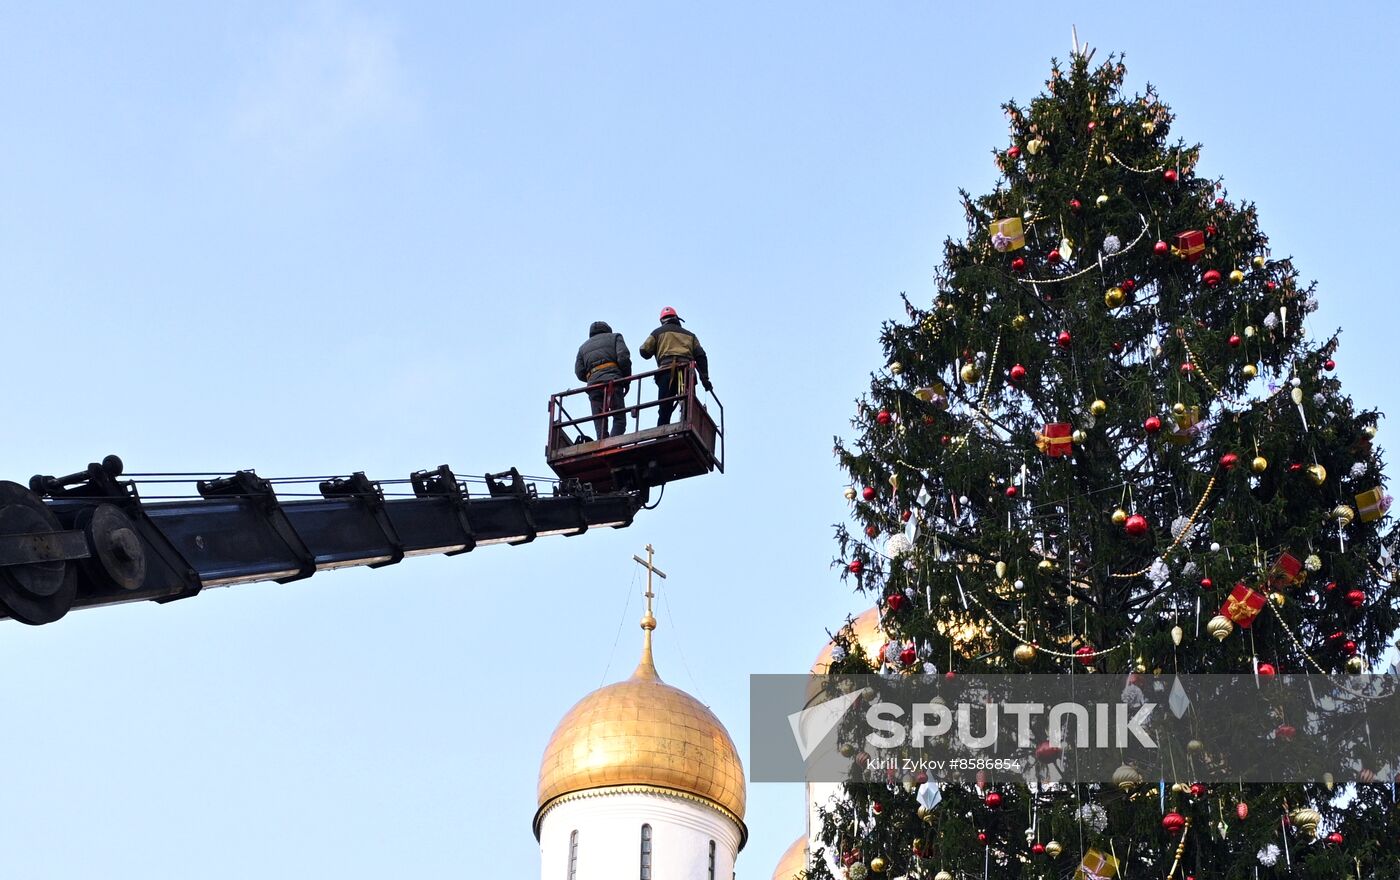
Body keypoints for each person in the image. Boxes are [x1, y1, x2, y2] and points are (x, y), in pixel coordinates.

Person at [639, 306, 711, 426]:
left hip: (666, 373)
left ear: (662, 320)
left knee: (665, 407)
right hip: (687, 371)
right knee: (688, 405)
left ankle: (662, 432)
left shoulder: (657, 333)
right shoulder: (690, 335)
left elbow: (644, 352)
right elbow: (701, 356)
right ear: (677, 318)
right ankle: (687, 426)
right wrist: (705, 379)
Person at [574, 321, 632, 440]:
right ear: (607, 330)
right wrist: (626, 380)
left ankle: (603, 443)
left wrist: (594, 377)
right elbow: (623, 358)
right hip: (613, 382)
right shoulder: (615, 337)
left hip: (593, 387)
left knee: (599, 421)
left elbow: (579, 372)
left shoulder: (582, 348)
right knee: (619, 419)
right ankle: (612, 442)